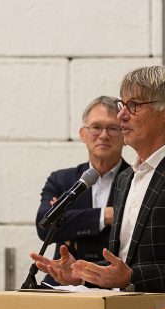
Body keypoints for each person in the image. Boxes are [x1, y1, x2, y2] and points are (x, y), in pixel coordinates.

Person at [31, 66, 165, 302]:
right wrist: (82, 274)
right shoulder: (126, 179)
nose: (121, 115)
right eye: (122, 104)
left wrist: (133, 277)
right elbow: (125, 262)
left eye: (133, 105)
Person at [35, 96, 129, 266]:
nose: (104, 135)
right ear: (83, 134)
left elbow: (139, 237)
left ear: (125, 134)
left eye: (113, 128)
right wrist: (107, 215)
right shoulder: (61, 180)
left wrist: (73, 236)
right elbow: (44, 227)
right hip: (62, 278)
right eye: (96, 127)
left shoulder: (137, 180)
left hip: (115, 279)